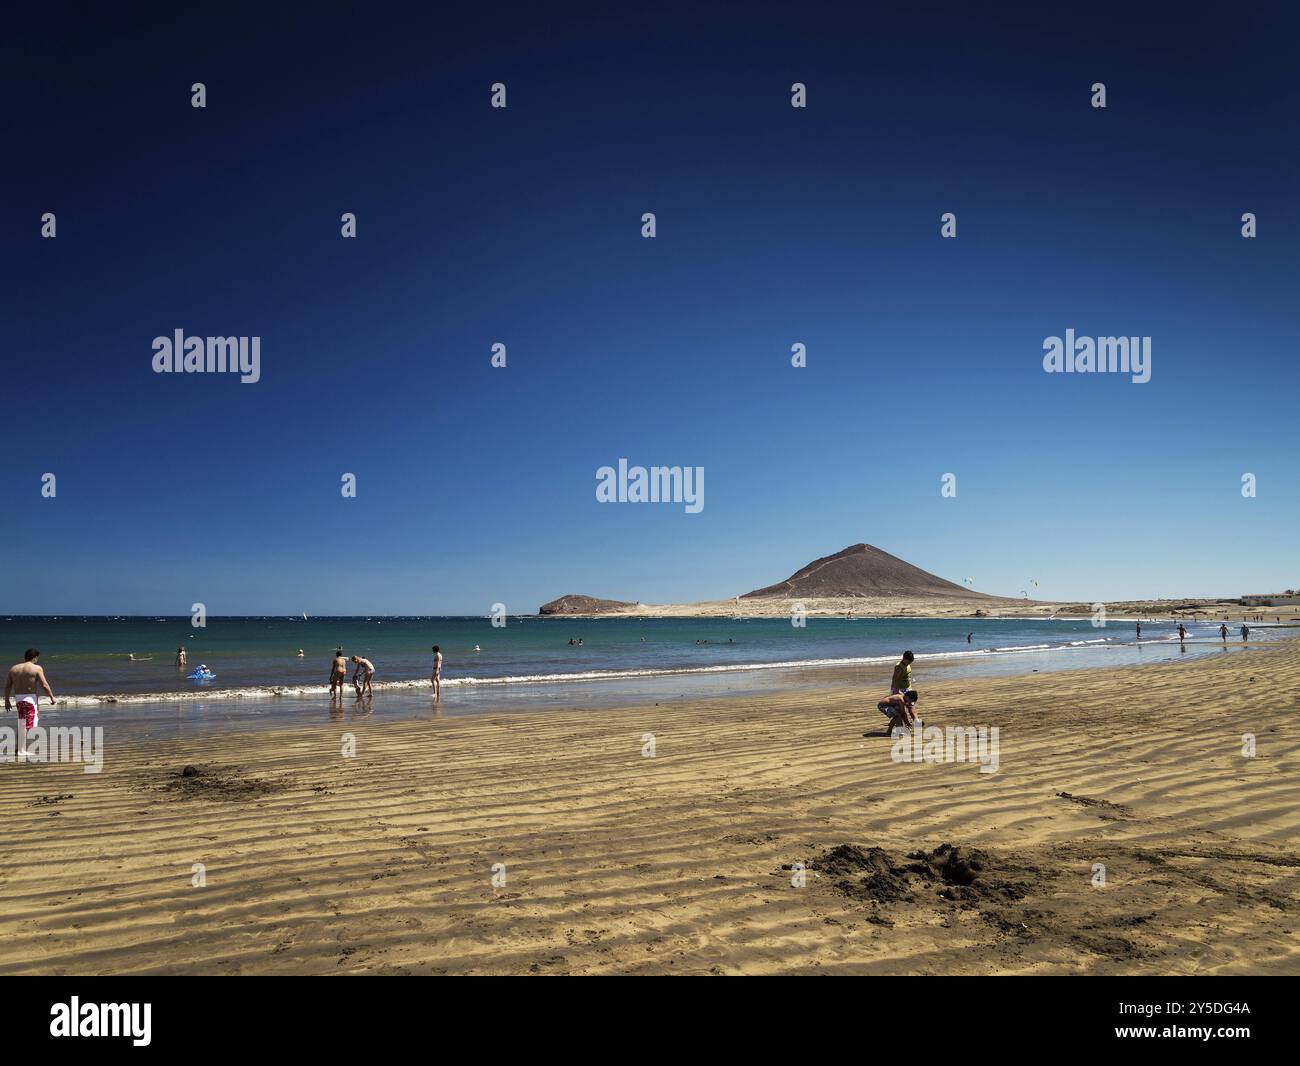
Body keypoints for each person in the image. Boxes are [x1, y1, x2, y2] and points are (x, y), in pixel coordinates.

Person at [5, 648, 56, 736]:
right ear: (35, 658)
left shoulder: (14, 669)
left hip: (18, 698)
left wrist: (7, 701)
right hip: (30, 699)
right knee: (29, 724)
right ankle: (21, 749)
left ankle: (20, 747)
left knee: (22, 722)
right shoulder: (36, 668)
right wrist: (52, 697)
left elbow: (8, 686)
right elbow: (44, 685)